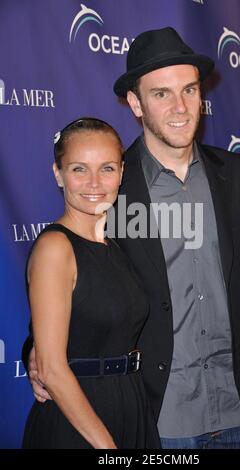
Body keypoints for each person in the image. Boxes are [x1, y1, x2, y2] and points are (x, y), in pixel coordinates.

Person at [24, 27, 240, 449]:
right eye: (161, 94)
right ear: (135, 103)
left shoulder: (235, 175)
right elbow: (75, 277)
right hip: (159, 415)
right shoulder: (110, 187)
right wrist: (36, 351)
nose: (180, 107)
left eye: (189, 90)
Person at [21, 117, 160, 449]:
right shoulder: (55, 248)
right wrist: (106, 447)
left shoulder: (117, 244)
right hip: (79, 424)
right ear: (59, 173)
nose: (95, 183)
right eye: (79, 169)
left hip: (130, 406)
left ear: (122, 172)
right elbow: (52, 369)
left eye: (107, 168)